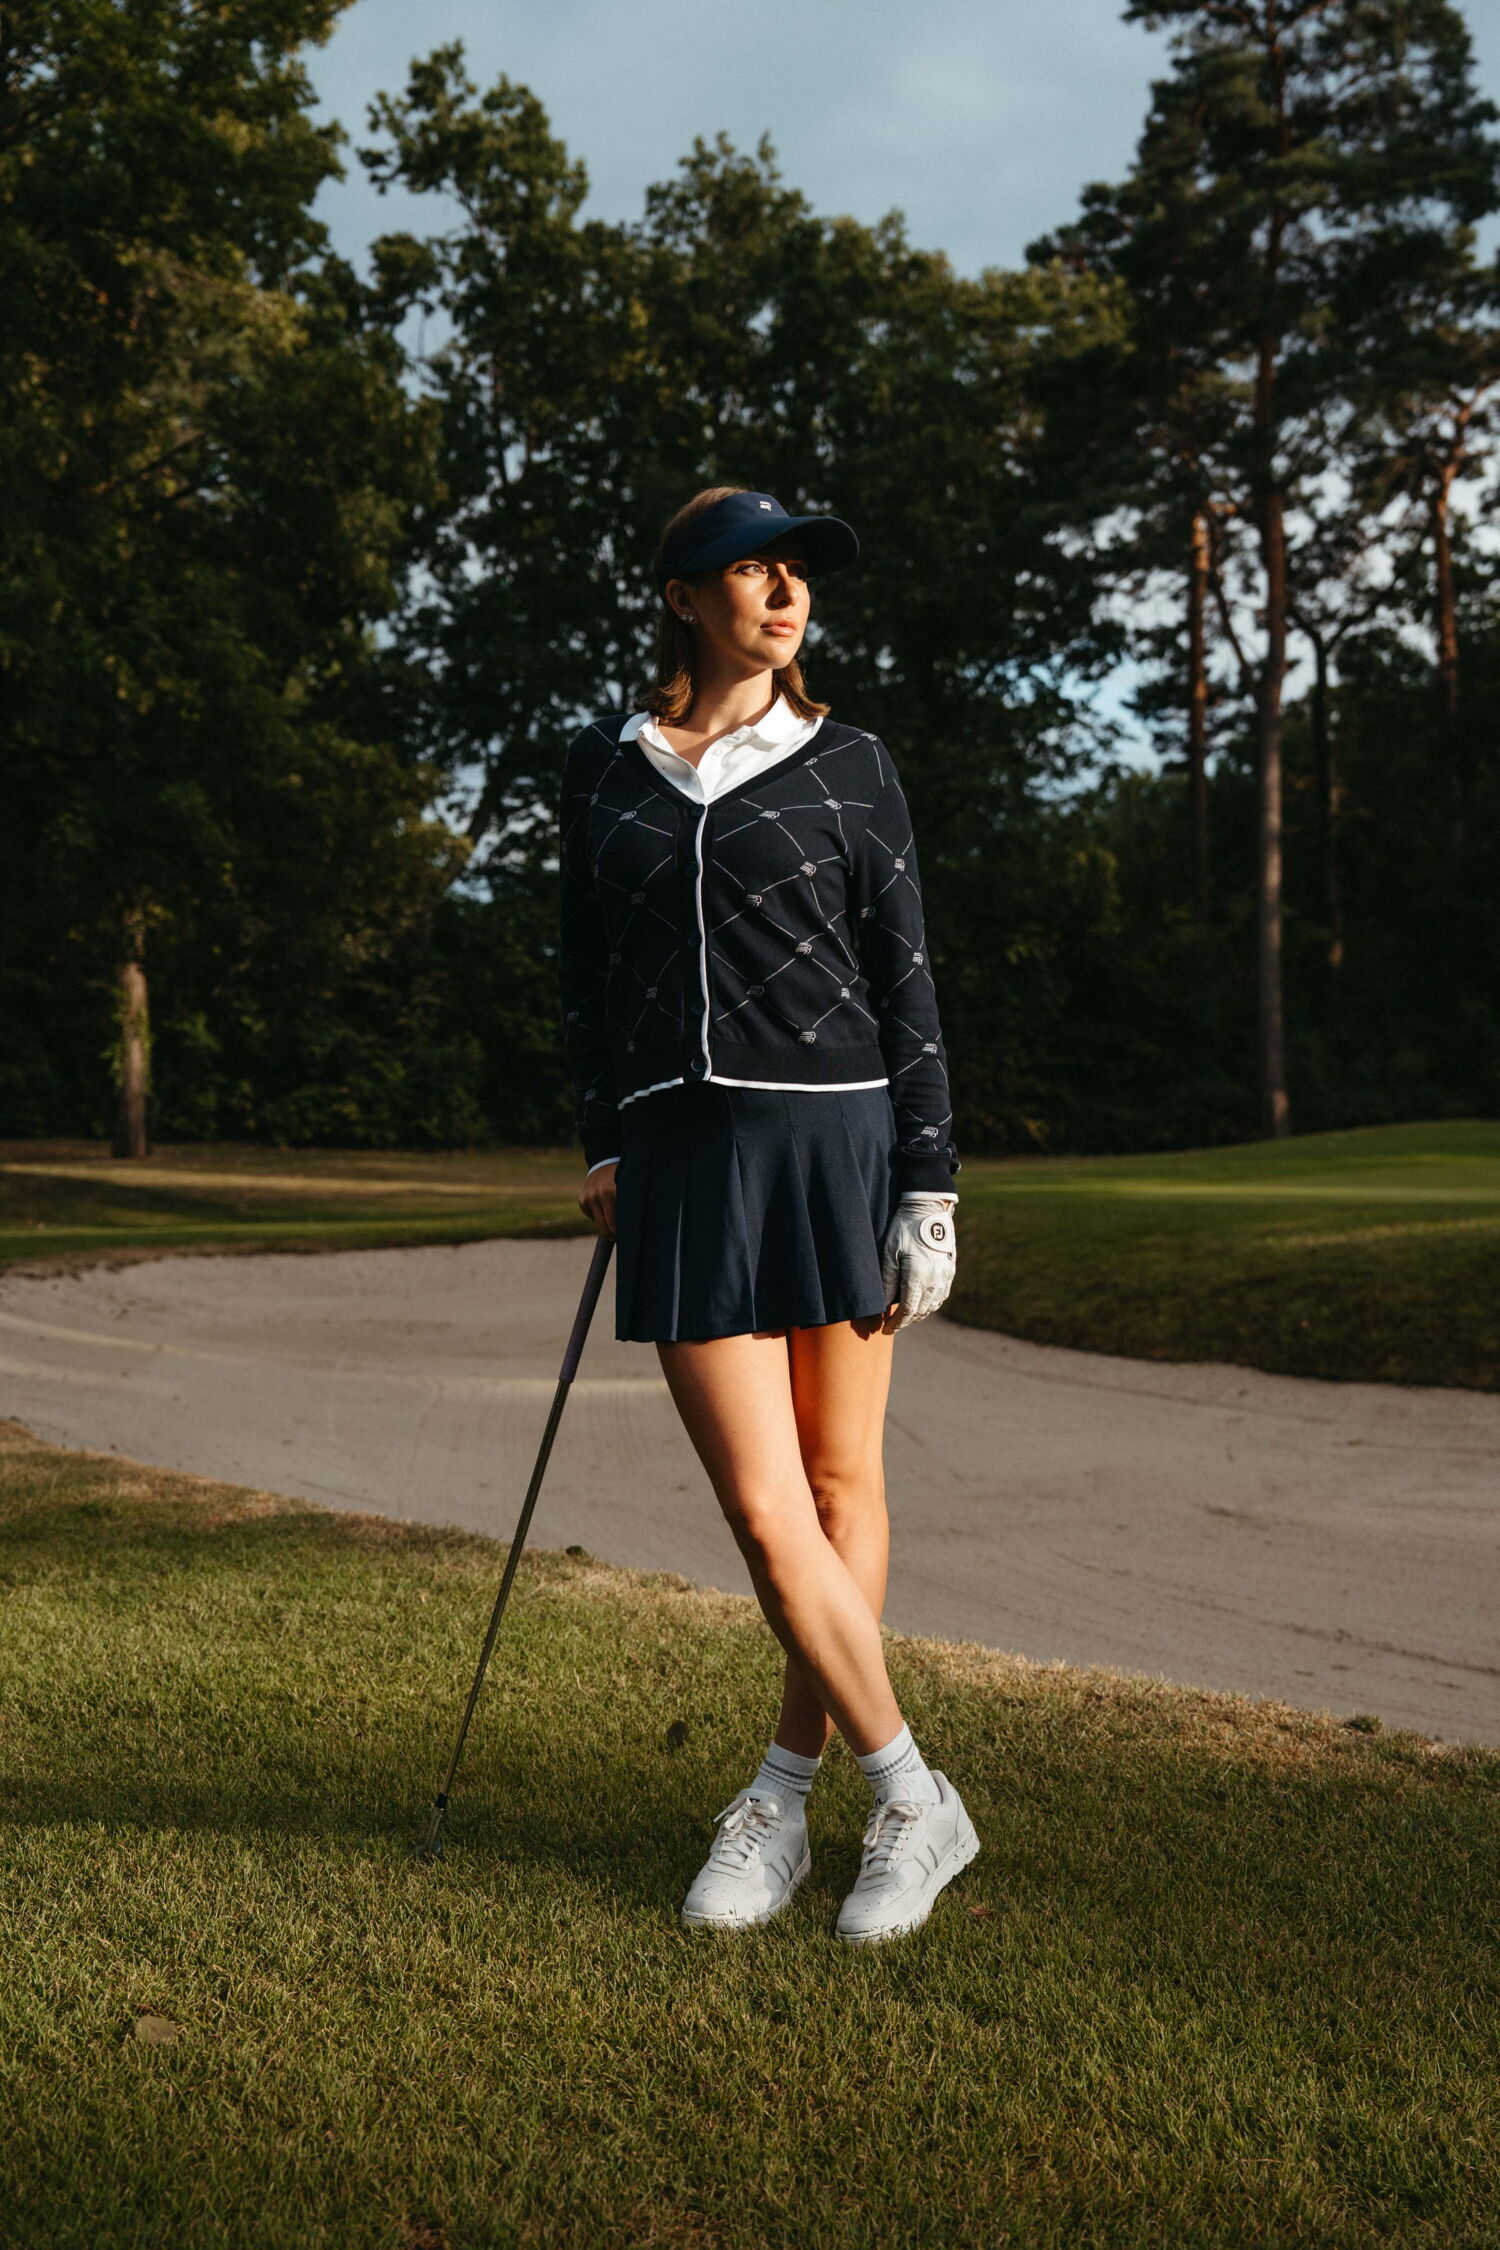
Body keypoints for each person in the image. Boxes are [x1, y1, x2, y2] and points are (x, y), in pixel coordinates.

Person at [555, 485, 980, 1945]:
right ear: (683, 595)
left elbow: (906, 979)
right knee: (759, 1503)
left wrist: (928, 1183)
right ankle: (914, 1791)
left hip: (837, 1141)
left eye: (797, 571)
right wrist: (604, 1138)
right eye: (752, 568)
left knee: (839, 1487)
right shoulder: (602, 772)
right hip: (679, 1155)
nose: (784, 590)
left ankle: (788, 1795)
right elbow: (584, 980)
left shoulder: (851, 761)